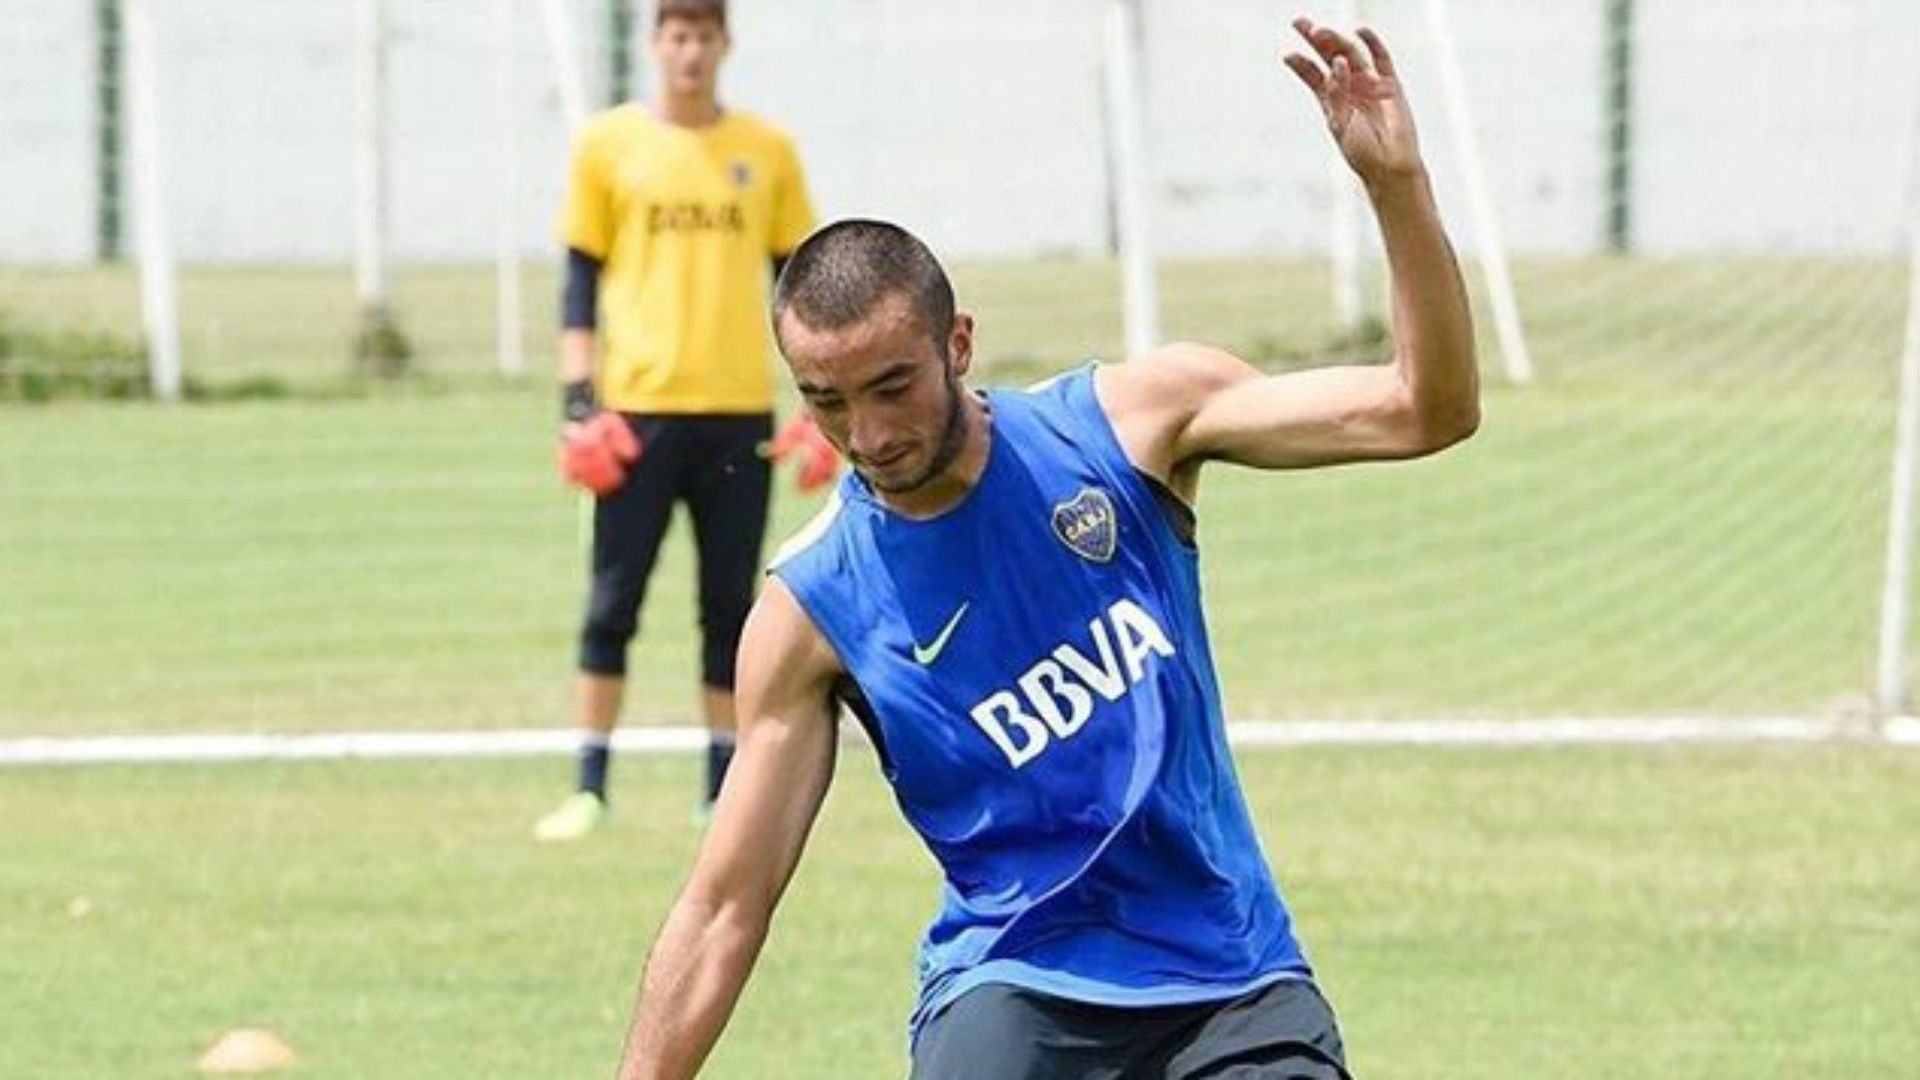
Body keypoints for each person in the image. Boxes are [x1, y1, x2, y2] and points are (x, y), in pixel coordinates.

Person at [613, 18, 1479, 1078]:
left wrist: (1396, 186)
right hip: (1011, 988)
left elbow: (1421, 409)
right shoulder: (811, 609)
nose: (869, 435)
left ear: (959, 343)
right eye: (827, 402)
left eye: (893, 387)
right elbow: (724, 905)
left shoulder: (1130, 427)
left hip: (1230, 978)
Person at [536, 0, 827, 842]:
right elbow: (579, 282)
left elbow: (799, 285)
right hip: (638, 414)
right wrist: (577, 404)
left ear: (724, 44)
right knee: (611, 602)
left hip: (738, 413)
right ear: (656, 44)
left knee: (729, 608)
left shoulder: (765, 150)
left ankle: (721, 787)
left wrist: (816, 403)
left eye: (704, 35)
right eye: (676, 35)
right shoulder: (608, 146)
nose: (690, 51)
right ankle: (590, 785)